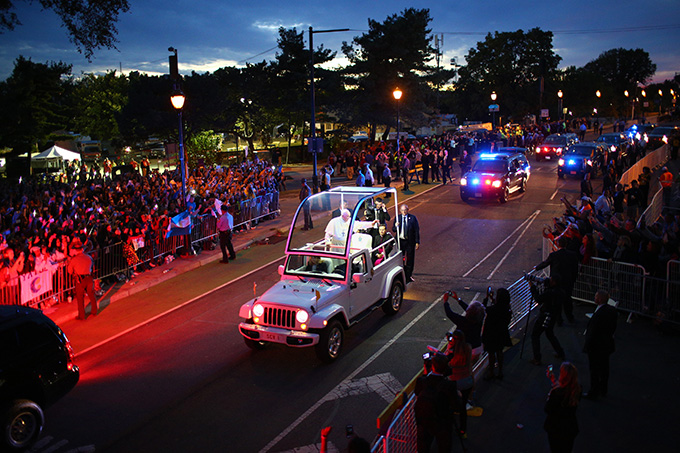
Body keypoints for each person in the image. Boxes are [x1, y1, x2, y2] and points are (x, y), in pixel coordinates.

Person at [414, 353, 461, 453]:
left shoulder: (421, 381)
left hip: (424, 421)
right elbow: (457, 406)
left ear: (432, 366)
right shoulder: (449, 385)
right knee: (444, 448)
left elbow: (417, 392)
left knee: (423, 447)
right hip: (443, 422)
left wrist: (426, 374)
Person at [535, 236, 579, 323]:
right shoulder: (573, 255)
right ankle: (570, 317)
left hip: (556, 281)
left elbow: (545, 263)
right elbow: (575, 269)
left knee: (556, 302)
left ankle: (559, 319)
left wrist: (537, 268)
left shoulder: (554, 255)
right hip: (568, 281)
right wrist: (573, 279)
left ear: (558, 244)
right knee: (567, 300)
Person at [582, 289, 617, 400]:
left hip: (596, 347)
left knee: (594, 370)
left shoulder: (598, 316)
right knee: (604, 368)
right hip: (607, 345)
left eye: (596, 297)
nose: (594, 298)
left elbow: (592, 332)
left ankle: (594, 391)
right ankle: (603, 389)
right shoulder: (612, 311)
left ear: (600, 299)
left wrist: (587, 346)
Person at [544, 362, 581, 453]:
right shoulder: (577, 390)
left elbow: (548, 409)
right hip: (570, 428)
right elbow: (564, 389)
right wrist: (553, 380)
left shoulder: (556, 394)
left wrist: (550, 396)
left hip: (556, 428)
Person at [529, 276, 566, 365]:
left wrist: (533, 288)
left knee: (535, 334)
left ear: (554, 282)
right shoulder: (560, 291)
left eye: (551, 279)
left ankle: (537, 358)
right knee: (549, 333)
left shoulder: (550, 293)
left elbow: (538, 299)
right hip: (553, 316)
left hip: (545, 315)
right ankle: (560, 352)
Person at [446, 330, 474, 439]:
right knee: (463, 408)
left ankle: (450, 427)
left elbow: (449, 363)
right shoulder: (468, 347)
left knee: (450, 405)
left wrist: (450, 346)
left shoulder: (454, 352)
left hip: (456, 382)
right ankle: (463, 429)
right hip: (467, 380)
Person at [482, 287, 512, 380]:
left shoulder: (492, 309)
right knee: (499, 351)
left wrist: (487, 298)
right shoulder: (507, 308)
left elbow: (483, 308)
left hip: (491, 333)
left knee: (491, 353)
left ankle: (491, 372)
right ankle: (500, 371)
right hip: (501, 332)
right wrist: (492, 299)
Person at [66, 237, 97, 320]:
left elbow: (69, 271)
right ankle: (94, 311)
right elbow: (92, 266)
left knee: (80, 298)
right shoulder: (89, 257)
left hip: (80, 280)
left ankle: (82, 315)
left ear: (76, 250)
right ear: (82, 249)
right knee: (91, 295)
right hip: (89, 278)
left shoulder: (74, 260)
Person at [392, 204, 419, 282]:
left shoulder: (413, 218)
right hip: (401, 241)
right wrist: (396, 226)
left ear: (408, 210)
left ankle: (409, 276)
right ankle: (402, 274)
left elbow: (416, 230)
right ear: (400, 211)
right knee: (400, 258)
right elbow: (394, 230)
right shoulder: (398, 218)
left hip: (409, 241)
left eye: (405, 210)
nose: (404, 212)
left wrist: (417, 241)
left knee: (410, 259)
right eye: (402, 210)